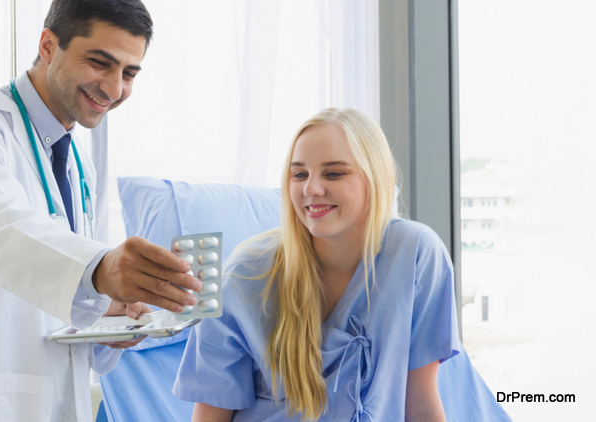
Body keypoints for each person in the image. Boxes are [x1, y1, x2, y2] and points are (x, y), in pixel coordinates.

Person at [0, 0, 203, 422]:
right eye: (101, 62)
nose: (115, 89)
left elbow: (49, 292)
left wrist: (106, 318)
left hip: (46, 399)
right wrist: (101, 269)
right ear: (47, 45)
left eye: (129, 73)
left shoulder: (75, 162)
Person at [173, 108, 508, 421]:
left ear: (374, 179)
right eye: (299, 174)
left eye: (333, 173)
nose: (311, 189)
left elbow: (419, 399)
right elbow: (211, 413)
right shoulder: (243, 275)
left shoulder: (416, 254)